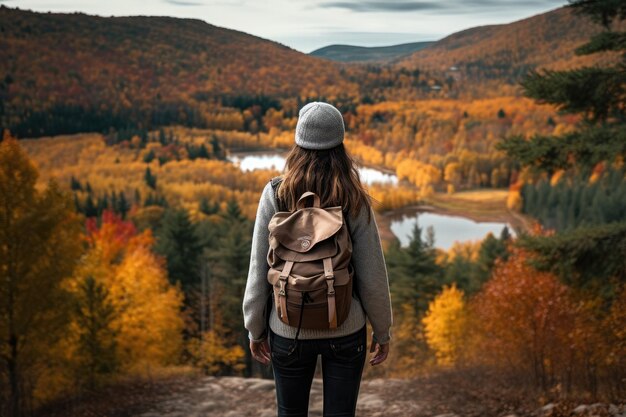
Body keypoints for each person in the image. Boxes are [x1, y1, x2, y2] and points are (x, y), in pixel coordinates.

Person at [242, 101, 393, 417]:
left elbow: (259, 269)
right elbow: (372, 275)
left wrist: (255, 329)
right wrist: (382, 331)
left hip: (287, 327)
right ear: (340, 145)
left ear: (298, 142)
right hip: (345, 329)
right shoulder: (353, 196)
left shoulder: (276, 193)